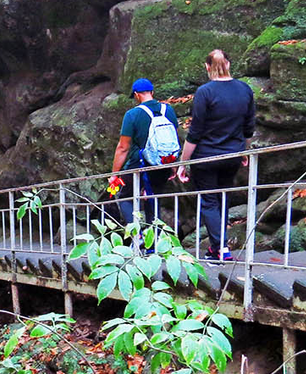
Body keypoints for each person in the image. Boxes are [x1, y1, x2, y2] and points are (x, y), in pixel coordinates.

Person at [176, 50, 255, 261]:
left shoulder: (205, 92)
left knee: (209, 201)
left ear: (207, 67)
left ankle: (220, 248)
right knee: (223, 198)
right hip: (232, 155)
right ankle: (217, 247)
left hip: (207, 157)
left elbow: (195, 132)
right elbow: (248, 128)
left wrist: (183, 163)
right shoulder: (244, 89)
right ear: (228, 64)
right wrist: (244, 151)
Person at [109, 78, 181, 228]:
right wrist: (174, 164)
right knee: (153, 198)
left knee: (125, 198)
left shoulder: (132, 114)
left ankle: (138, 235)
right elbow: (173, 138)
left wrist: (114, 174)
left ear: (136, 95)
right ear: (152, 92)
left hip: (139, 164)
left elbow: (123, 147)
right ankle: (154, 242)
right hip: (163, 163)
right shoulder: (168, 110)